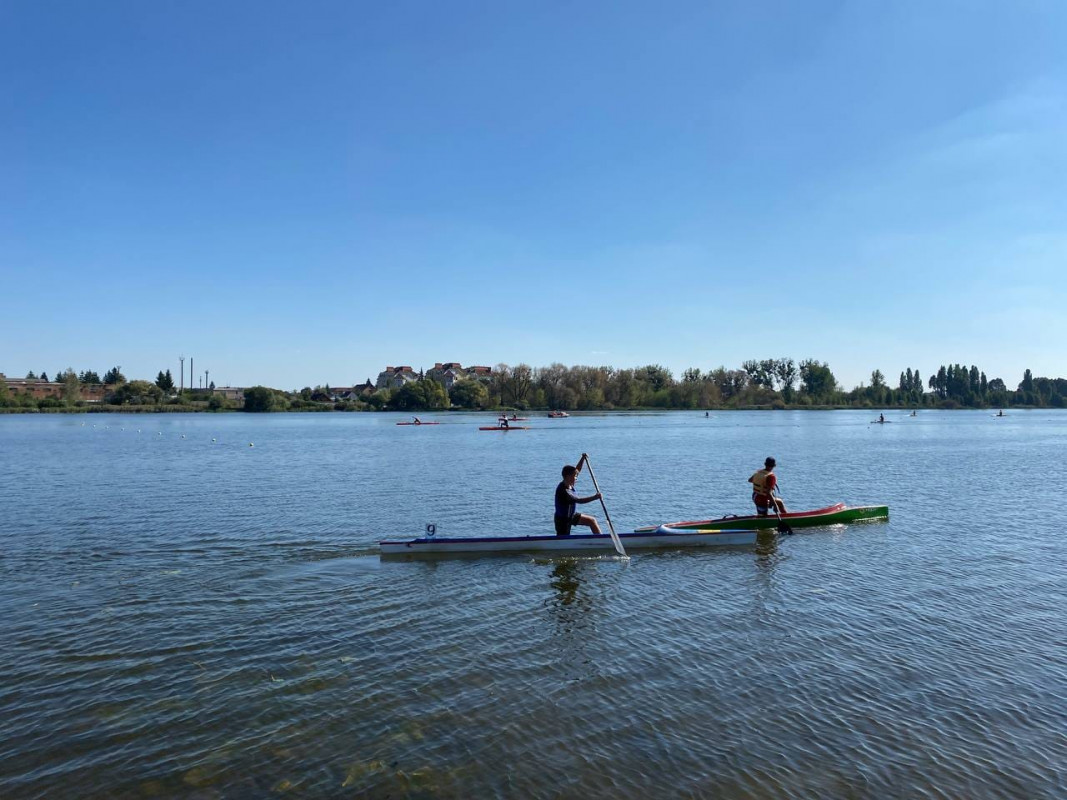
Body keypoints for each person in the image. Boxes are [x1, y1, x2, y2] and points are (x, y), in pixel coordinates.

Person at [554, 456, 603, 536]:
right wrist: (595, 497)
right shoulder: (564, 491)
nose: (576, 478)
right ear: (568, 476)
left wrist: (582, 458)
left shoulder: (569, 483)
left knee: (592, 521)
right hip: (563, 520)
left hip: (571, 515)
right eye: (574, 476)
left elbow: (577, 470)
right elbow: (579, 500)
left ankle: (602, 540)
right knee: (563, 539)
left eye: (576, 476)